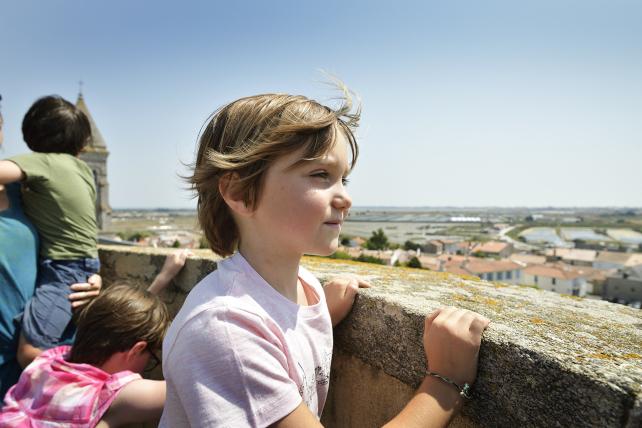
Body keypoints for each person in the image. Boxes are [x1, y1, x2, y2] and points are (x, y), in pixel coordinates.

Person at [160, 88, 490, 427]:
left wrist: (319, 317)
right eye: (321, 175)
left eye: (343, 179)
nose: (345, 198)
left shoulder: (300, 286)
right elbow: (246, 349)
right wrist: (446, 382)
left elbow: (279, 341)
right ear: (239, 191)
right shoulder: (225, 329)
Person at [0, 249, 192, 427]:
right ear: (137, 349)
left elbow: (116, 319)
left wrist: (163, 277)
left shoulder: (45, 362)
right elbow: (192, 385)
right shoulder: (108, 395)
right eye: (152, 358)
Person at [0, 95, 101, 400]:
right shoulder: (77, 170)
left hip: (24, 375)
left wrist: (92, 281)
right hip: (71, 270)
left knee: (31, 352)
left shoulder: (25, 184)